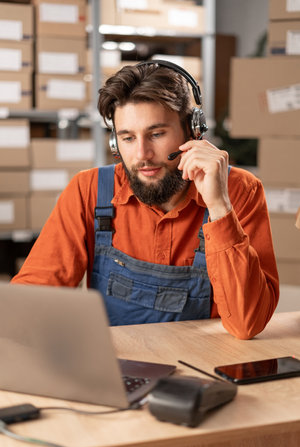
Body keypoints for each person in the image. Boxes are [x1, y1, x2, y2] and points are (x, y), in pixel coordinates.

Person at [11, 60, 279, 339]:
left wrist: (220, 207)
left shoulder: (240, 191)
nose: (142, 154)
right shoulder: (88, 190)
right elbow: (33, 296)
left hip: (203, 368)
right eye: (127, 138)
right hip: (115, 370)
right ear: (115, 143)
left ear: (193, 131)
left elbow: (248, 324)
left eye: (157, 134)